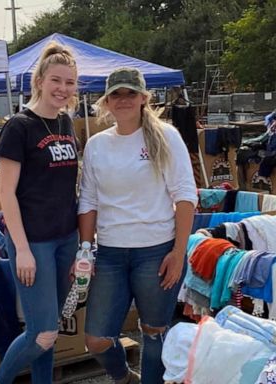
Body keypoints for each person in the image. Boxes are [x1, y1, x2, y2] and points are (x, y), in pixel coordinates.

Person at [78, 67, 198, 384]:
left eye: (130, 93)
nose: (123, 100)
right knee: (97, 339)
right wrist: (86, 250)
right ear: (106, 101)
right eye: (115, 94)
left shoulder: (166, 137)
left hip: (157, 251)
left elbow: (186, 196)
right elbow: (87, 200)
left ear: (144, 98)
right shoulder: (96, 145)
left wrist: (178, 251)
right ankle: (123, 376)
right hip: (110, 254)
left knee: (154, 331)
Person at [0, 42, 79, 384]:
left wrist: (82, 243)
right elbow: (5, 193)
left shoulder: (67, 122)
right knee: (42, 333)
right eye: (56, 80)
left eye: (69, 83)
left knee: (50, 327)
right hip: (33, 241)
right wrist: (21, 249)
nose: (62, 89)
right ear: (39, 79)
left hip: (67, 238)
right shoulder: (19, 126)